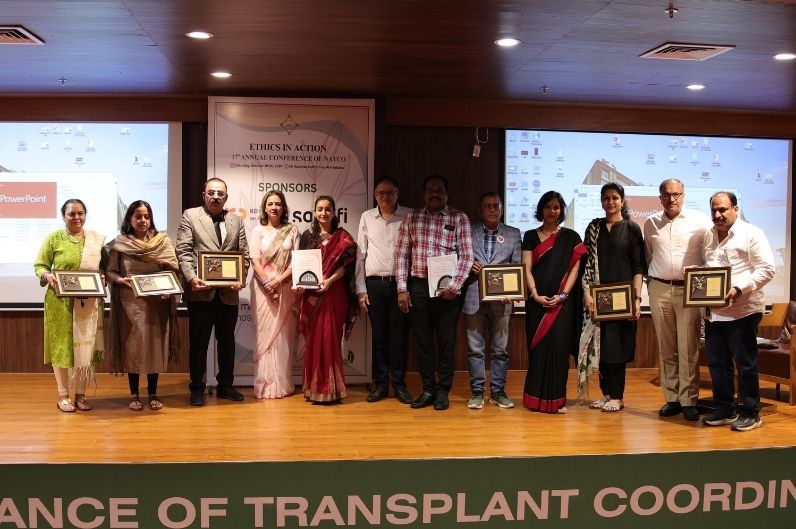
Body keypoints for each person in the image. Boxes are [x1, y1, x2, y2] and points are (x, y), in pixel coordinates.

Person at [395, 174, 474, 411]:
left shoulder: (459, 218)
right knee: (423, 342)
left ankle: (442, 391)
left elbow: (467, 256)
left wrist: (455, 286)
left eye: (439, 190)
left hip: (449, 290)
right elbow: (401, 255)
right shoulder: (412, 217)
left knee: (446, 343)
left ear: (447, 194)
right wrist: (402, 289)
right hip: (419, 287)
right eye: (430, 189)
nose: (434, 193)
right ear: (424, 193)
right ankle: (428, 388)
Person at [702, 191, 775, 432]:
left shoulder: (752, 233)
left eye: (722, 209)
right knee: (717, 364)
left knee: (745, 365)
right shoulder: (709, 235)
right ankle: (725, 409)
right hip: (714, 312)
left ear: (735, 209)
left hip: (742, 310)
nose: (717, 214)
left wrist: (738, 288)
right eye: (714, 210)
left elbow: (767, 269)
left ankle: (751, 412)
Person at [176, 177, 249, 406]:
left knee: (227, 343)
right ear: (204, 195)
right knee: (199, 344)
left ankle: (226, 386)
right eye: (211, 192)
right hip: (200, 292)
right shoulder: (190, 216)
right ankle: (197, 388)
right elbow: (183, 251)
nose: (216, 196)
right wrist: (191, 278)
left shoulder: (236, 220)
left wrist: (240, 278)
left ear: (226, 197)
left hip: (228, 294)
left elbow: (244, 255)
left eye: (220, 193)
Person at [644, 179, 710, 422]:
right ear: (660, 197)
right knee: (666, 347)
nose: (671, 199)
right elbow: (649, 255)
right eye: (666, 195)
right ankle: (672, 398)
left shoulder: (700, 221)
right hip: (659, 288)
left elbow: (709, 256)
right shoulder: (651, 223)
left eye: (676, 194)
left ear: (683, 195)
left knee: (689, 347)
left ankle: (689, 400)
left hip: (689, 291)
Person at [106, 200, 180, 411]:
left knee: (154, 347)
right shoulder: (120, 244)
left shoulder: (162, 242)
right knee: (134, 349)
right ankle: (134, 394)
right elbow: (110, 272)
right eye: (138, 216)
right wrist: (119, 280)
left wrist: (169, 289)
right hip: (130, 304)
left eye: (146, 216)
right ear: (129, 219)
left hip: (157, 304)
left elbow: (172, 270)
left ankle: (153, 393)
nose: (143, 220)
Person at [34, 199, 106, 413]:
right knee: (62, 348)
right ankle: (63, 395)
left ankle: (81, 395)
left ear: (85, 215)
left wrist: (103, 278)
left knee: (85, 347)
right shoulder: (54, 238)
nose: (76, 217)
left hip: (89, 303)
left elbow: (104, 269)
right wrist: (46, 275)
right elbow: (40, 265)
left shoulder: (96, 241)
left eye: (80, 213)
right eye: (71, 214)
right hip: (60, 303)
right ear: (63, 216)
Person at [580, 182, 645, 412]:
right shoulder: (593, 228)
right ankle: (606, 394)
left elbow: (638, 267)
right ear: (601, 201)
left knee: (617, 347)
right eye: (606, 198)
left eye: (615, 197)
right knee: (600, 349)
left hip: (622, 300)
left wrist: (637, 299)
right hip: (598, 299)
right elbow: (586, 266)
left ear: (622, 200)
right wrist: (587, 294)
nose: (610, 202)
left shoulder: (631, 228)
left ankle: (617, 396)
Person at [522, 191, 586, 413]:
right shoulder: (530, 236)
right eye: (548, 206)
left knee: (559, 353)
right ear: (541, 209)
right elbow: (526, 269)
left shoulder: (571, 237)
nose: (552, 211)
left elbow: (575, 270)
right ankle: (534, 400)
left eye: (556, 207)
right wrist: (534, 294)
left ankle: (557, 400)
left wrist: (563, 296)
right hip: (536, 304)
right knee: (538, 352)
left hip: (561, 305)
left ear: (561, 210)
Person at [354, 178, 413, 404]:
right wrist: (361, 289)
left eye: (389, 192)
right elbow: (361, 255)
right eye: (380, 193)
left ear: (397, 193)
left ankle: (399, 385)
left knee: (399, 337)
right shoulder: (367, 217)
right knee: (379, 337)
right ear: (375, 195)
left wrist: (406, 287)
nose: (385, 197)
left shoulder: (409, 215)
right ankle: (380, 385)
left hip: (401, 285)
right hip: (374, 285)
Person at [294, 195, 357, 403]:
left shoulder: (343, 237)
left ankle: (332, 389)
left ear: (333, 212)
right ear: (314, 212)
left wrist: (329, 281)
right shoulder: (307, 237)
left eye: (327, 209)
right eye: (319, 209)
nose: (323, 213)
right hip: (312, 295)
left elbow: (346, 267)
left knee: (331, 338)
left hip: (334, 292)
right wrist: (300, 284)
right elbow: (301, 266)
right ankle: (314, 388)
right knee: (314, 340)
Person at [463, 192, 521, 409]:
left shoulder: (513, 234)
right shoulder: (469, 231)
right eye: (487, 206)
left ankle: (498, 392)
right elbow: (459, 258)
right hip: (473, 297)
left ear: (502, 209)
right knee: (475, 349)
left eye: (496, 206)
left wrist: (512, 291)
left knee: (500, 350)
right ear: (481, 209)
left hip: (502, 300)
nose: (492, 209)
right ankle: (477, 392)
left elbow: (517, 266)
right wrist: (469, 265)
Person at [249, 190, 300, 399]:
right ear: (264, 207)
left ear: (283, 207)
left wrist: (278, 282)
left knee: (282, 337)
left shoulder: (292, 230)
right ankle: (265, 384)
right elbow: (254, 260)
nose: (274, 207)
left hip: (285, 287)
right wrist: (268, 284)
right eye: (270, 204)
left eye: (278, 204)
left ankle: (282, 384)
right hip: (262, 289)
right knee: (264, 335)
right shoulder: (257, 231)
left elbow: (296, 261)